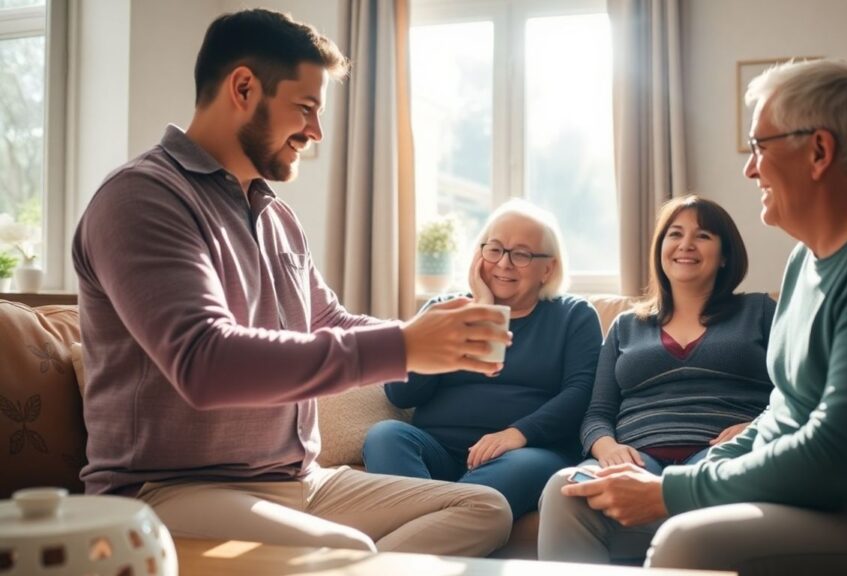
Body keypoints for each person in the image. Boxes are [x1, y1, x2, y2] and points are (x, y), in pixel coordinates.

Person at [72, 9, 516, 556]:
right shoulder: (143, 198)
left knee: (482, 507)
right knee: (346, 551)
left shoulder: (274, 214)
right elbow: (204, 362)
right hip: (167, 490)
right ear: (243, 87)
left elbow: (327, 323)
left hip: (301, 481)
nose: (316, 131)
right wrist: (403, 345)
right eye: (305, 108)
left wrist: (430, 338)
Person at [554, 59, 847, 575]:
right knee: (572, 498)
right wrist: (702, 468)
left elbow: (839, 459)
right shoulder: (805, 259)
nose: (750, 168)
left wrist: (674, 488)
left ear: (818, 151)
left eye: (760, 147)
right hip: (801, 498)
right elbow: (783, 413)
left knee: (689, 544)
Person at [537, 194, 775, 564]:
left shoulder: (759, 310)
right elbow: (597, 412)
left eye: (703, 236)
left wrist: (757, 426)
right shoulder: (625, 326)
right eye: (674, 234)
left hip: (719, 457)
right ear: (660, 248)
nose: (685, 245)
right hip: (636, 461)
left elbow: (795, 392)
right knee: (563, 488)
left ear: (725, 254)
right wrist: (607, 449)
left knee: (704, 499)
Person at [362, 200, 603, 520]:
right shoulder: (445, 309)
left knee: (522, 468)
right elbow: (402, 394)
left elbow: (581, 392)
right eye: (495, 249)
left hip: (525, 453)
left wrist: (516, 434)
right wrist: (478, 312)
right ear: (479, 255)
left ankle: (426, 529)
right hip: (438, 449)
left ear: (549, 268)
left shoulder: (574, 316)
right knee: (385, 436)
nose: (503, 264)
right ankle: (450, 525)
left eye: (521, 254)